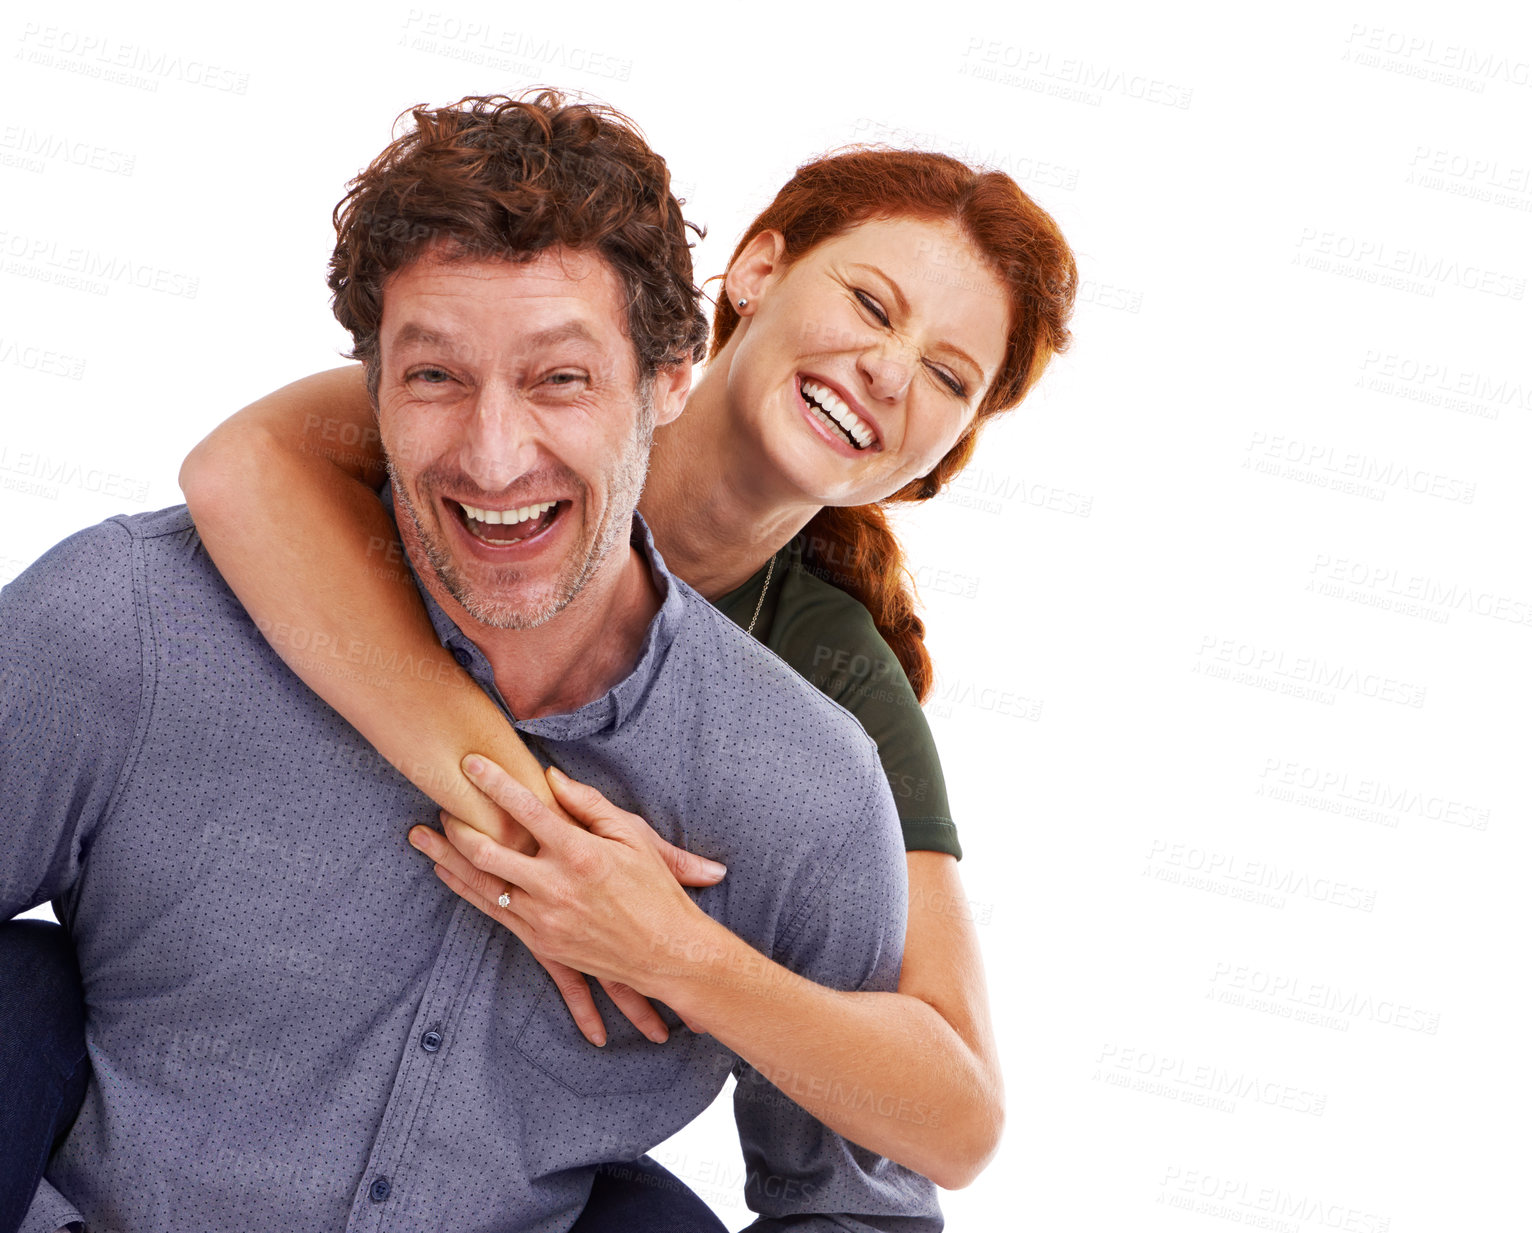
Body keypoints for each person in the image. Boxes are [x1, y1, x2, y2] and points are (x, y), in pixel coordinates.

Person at [0, 89, 948, 1233]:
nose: (494, 458)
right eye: (436, 378)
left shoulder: (801, 794)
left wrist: (685, 954)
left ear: (669, 380)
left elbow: (859, 1204)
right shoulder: (129, 626)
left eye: (560, 379)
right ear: (373, 387)